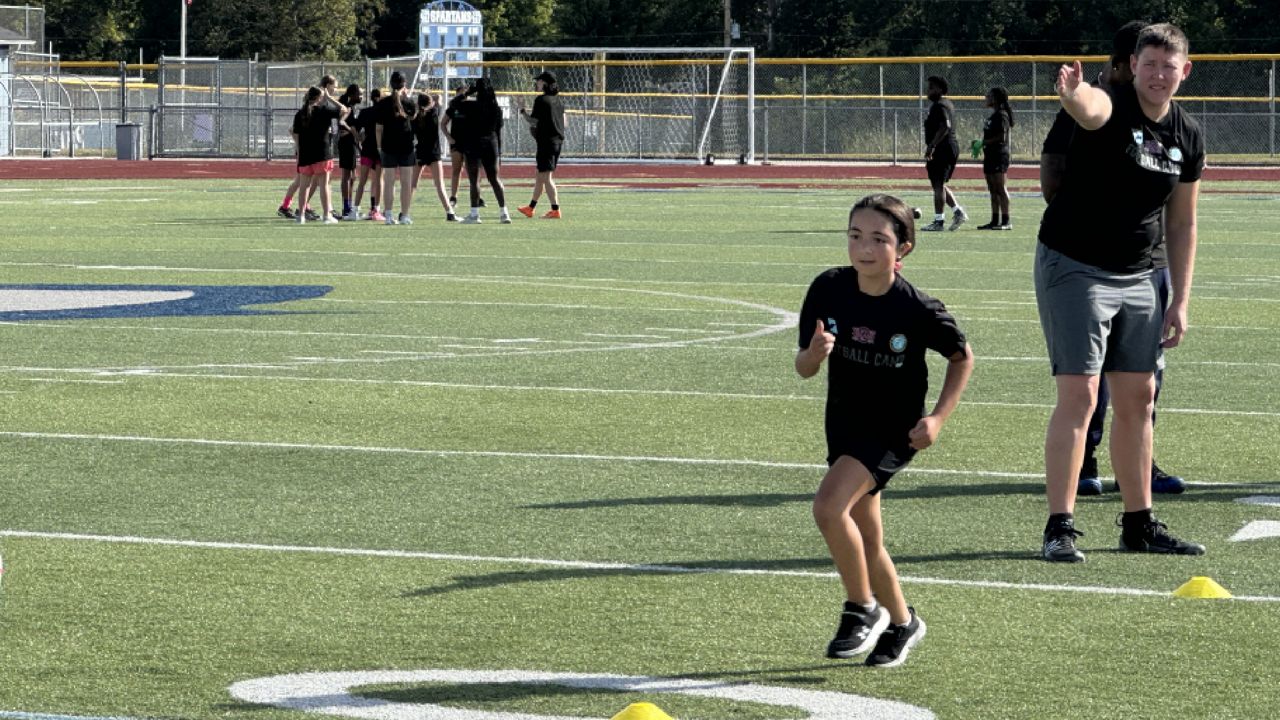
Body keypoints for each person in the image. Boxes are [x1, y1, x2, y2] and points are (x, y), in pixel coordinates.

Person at [1036, 23, 1205, 563]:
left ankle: (1139, 522)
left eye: (1168, 65)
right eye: (1148, 63)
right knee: (1081, 396)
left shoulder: (1187, 134)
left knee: (1139, 398)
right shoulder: (1111, 105)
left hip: (1141, 275)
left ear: (1185, 70)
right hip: (1076, 265)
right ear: (1132, 65)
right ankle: (1059, 525)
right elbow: (1091, 108)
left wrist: (1180, 298)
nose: (1158, 75)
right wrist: (1072, 94)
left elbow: (1182, 224)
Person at [797, 194, 974, 668]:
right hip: (844, 426)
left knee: (828, 507)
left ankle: (862, 607)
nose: (865, 249)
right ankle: (902, 622)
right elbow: (803, 368)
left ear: (904, 250)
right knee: (865, 536)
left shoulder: (916, 309)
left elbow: (962, 358)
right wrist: (814, 354)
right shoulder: (828, 289)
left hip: (893, 431)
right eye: (856, 236)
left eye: (879, 239)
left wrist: (937, 418)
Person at [455, 77, 510, 224]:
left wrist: (467, 93)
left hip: (473, 144)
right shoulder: (496, 109)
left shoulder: (470, 106)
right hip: (491, 145)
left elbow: (453, 103)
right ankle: (504, 213)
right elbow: (498, 131)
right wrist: (499, 151)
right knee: (495, 180)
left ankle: (475, 214)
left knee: (474, 181)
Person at [290, 85, 348, 225]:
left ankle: (301, 215)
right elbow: (344, 110)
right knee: (324, 185)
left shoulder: (300, 113)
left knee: (304, 186)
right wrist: (330, 98)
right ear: (319, 98)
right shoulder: (324, 110)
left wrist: (298, 152)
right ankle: (326, 215)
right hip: (322, 153)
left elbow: (296, 135)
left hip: (305, 154)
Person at [516, 71, 566, 220]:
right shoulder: (559, 101)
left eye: (538, 81)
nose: (536, 83)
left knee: (546, 177)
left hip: (547, 143)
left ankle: (555, 210)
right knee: (540, 176)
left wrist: (522, 110)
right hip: (556, 142)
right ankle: (530, 208)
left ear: (544, 83)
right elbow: (564, 122)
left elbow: (533, 121)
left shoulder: (541, 100)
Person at [921, 76, 967, 232]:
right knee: (939, 185)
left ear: (940, 89)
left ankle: (938, 221)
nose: (929, 90)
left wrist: (932, 145)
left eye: (932, 87)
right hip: (947, 148)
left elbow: (945, 126)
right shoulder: (945, 104)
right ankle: (958, 212)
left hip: (943, 148)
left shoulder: (939, 105)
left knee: (938, 186)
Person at [376, 71, 417, 225]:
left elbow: (378, 129)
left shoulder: (382, 103)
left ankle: (388, 215)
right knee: (406, 183)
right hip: (406, 146)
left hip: (388, 146)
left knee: (389, 182)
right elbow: (412, 118)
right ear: (404, 84)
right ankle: (405, 215)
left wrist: (380, 147)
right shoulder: (409, 102)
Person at [412, 91, 459, 222]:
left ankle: (404, 211)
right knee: (440, 185)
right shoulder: (433, 114)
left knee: (413, 185)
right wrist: (432, 99)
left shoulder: (415, 118)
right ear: (430, 104)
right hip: (433, 153)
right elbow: (438, 100)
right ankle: (450, 212)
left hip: (420, 152)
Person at [442, 84, 484, 210]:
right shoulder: (453, 107)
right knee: (456, 170)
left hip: (470, 143)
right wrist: (449, 138)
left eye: (464, 94)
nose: (462, 97)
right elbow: (443, 124)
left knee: (473, 171)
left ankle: (478, 197)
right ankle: (453, 197)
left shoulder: (472, 106)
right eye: (459, 94)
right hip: (456, 143)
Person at [976, 87, 1013, 230]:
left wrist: (984, 143)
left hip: (999, 155)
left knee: (1000, 188)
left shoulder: (1002, 115)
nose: (986, 97)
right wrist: (979, 144)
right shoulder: (993, 115)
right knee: (992, 189)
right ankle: (994, 220)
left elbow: (1002, 137)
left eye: (989, 96)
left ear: (996, 98)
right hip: (990, 155)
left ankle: (1006, 221)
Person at [353, 87, 383, 221]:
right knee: (378, 181)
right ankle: (376, 209)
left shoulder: (365, 112)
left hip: (367, 149)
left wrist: (358, 139)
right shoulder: (384, 112)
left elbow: (355, 128)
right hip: (380, 149)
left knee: (362, 181)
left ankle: (355, 209)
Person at [337, 83, 363, 220]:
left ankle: (350, 206)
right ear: (352, 94)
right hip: (346, 144)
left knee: (353, 176)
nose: (361, 96)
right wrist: (352, 132)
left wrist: (358, 142)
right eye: (359, 94)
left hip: (351, 143)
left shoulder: (352, 107)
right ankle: (346, 207)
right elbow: (341, 122)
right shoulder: (345, 105)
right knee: (347, 176)